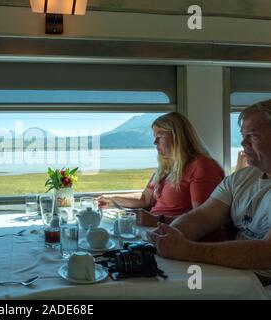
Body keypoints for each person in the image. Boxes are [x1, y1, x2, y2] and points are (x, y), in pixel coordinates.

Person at [148, 100, 271, 285]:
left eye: (252, 136)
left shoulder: (203, 166)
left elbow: (266, 254)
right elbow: (202, 216)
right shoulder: (241, 179)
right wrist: (168, 234)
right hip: (235, 272)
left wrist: (188, 250)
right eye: (243, 135)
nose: (243, 143)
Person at [97, 112, 225, 228]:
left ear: (177, 137)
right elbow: (145, 199)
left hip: (178, 236)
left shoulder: (203, 166)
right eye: (154, 136)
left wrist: (157, 220)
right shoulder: (165, 166)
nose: (155, 142)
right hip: (156, 229)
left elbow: (203, 220)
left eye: (160, 136)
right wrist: (110, 199)